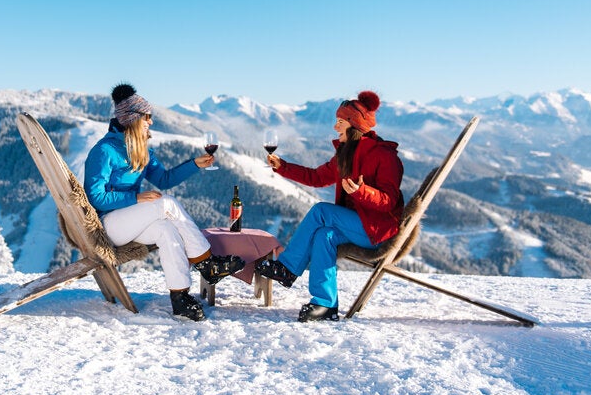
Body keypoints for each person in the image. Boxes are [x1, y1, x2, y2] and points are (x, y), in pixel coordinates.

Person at [84, 83, 244, 321]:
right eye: (147, 117)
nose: (151, 121)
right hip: (108, 225)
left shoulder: (140, 148)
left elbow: (164, 179)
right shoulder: (105, 150)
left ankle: (180, 297)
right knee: (166, 204)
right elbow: (95, 197)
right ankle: (207, 263)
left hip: (130, 222)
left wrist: (194, 164)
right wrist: (135, 197)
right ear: (133, 118)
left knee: (166, 230)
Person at [256, 91, 404, 322]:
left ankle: (287, 268)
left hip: (377, 230)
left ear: (354, 125)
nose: (335, 128)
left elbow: (389, 201)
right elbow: (316, 177)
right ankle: (325, 304)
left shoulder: (384, 156)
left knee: (321, 211)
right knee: (324, 235)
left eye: (340, 123)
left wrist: (362, 192)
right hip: (355, 224)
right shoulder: (345, 155)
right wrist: (282, 166)